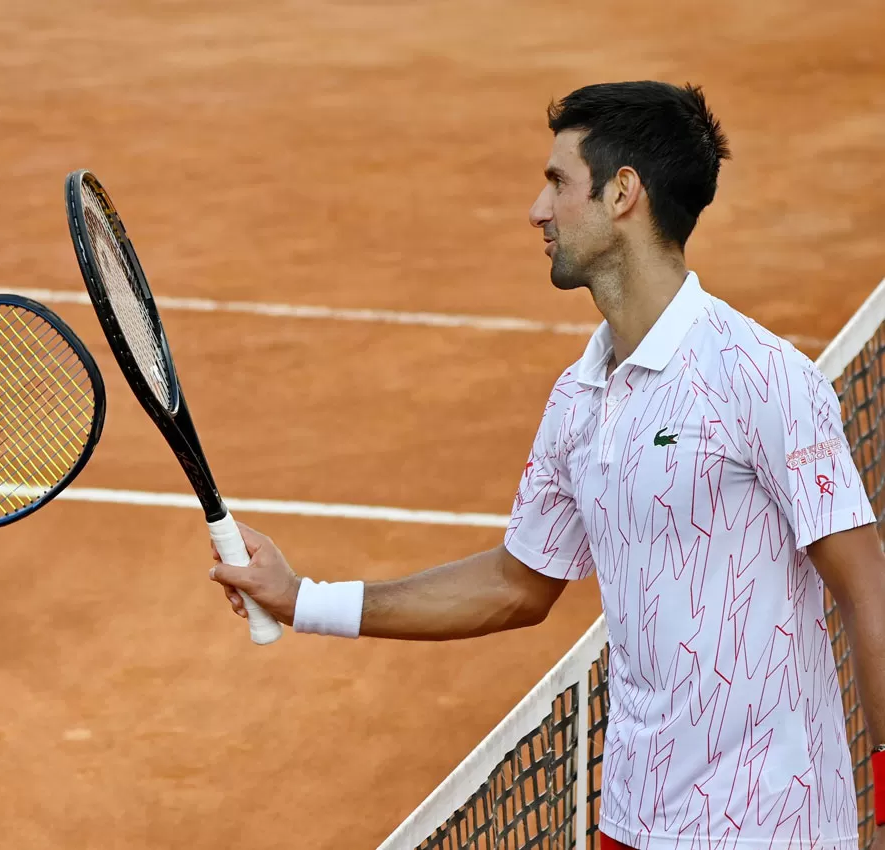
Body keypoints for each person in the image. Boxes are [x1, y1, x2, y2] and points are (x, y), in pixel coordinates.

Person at [211, 81, 885, 850]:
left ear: (622, 192)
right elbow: (515, 585)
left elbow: (869, 591)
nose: (537, 209)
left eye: (558, 181)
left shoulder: (761, 377)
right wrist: (305, 601)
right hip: (635, 823)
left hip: (771, 829)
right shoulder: (579, 398)